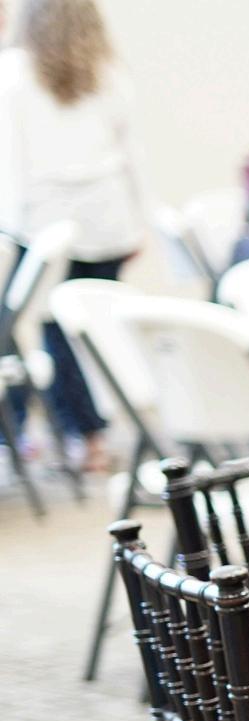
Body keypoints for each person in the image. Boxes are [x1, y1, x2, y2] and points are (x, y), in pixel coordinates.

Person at [0, 0, 142, 474]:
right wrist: (139, 223)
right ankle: (89, 436)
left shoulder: (13, 74)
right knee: (91, 332)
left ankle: (54, 434)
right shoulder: (109, 74)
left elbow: (10, 162)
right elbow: (132, 156)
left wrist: (10, 227)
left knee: (46, 331)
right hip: (107, 219)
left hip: (41, 223)